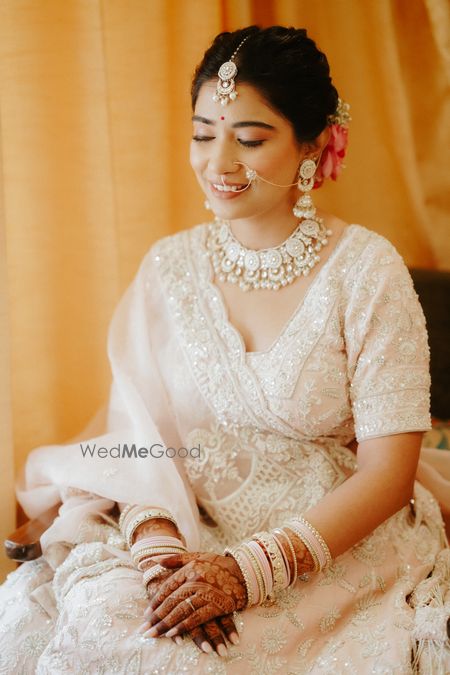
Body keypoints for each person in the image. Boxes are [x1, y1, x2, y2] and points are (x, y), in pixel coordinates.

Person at [1, 25, 449, 674]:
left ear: (314, 143)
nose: (218, 163)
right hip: (188, 527)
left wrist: (247, 571)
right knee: (109, 631)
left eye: (250, 139)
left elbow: (388, 476)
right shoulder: (169, 268)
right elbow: (143, 439)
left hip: (334, 546)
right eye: (203, 134)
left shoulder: (367, 272)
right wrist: (160, 558)